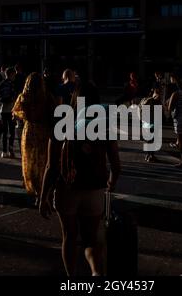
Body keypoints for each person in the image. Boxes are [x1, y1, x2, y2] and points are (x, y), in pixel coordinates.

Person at [40, 81, 121, 277]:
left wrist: (43, 196)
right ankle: (95, 272)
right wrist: (111, 182)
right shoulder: (103, 125)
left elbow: (51, 166)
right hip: (94, 188)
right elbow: (116, 164)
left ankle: (72, 278)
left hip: (68, 187)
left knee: (69, 236)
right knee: (91, 239)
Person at [12, 72, 56, 202]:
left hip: (30, 132)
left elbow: (15, 113)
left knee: (30, 162)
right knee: (44, 162)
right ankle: (45, 192)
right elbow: (54, 111)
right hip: (44, 132)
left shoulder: (23, 97)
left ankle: (37, 192)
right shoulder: (47, 97)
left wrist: (25, 116)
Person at [0, 67, 17, 159]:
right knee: (12, 132)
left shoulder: (0, 85)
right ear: (11, 74)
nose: (15, 77)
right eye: (14, 75)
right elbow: (16, 99)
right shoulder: (13, 85)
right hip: (11, 111)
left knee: (4, 132)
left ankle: (4, 152)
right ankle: (11, 149)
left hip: (2, 111)